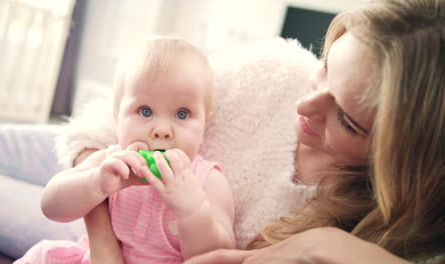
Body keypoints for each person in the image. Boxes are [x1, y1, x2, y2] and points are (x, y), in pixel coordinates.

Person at [57, 0, 444, 263]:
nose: (303, 106)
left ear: (398, 158)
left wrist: (333, 246)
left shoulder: (383, 224)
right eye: (326, 66)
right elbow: (100, 123)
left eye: (346, 119)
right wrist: (104, 243)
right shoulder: (275, 70)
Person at [15, 37, 235, 264]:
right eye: (146, 111)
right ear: (117, 116)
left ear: (204, 125)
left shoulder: (208, 180)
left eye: (182, 114)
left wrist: (193, 210)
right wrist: (95, 183)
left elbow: (219, 258)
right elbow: (51, 206)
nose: (161, 130)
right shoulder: (111, 161)